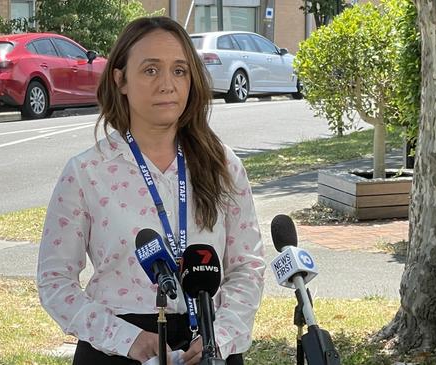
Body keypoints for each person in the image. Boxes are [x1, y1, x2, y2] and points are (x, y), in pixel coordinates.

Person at [37, 16, 265, 365]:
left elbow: (247, 267)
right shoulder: (86, 172)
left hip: (208, 340)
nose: (167, 85)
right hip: (116, 347)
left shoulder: (223, 166)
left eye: (179, 71)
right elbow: (55, 282)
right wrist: (124, 339)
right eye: (150, 70)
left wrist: (220, 336)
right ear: (120, 79)